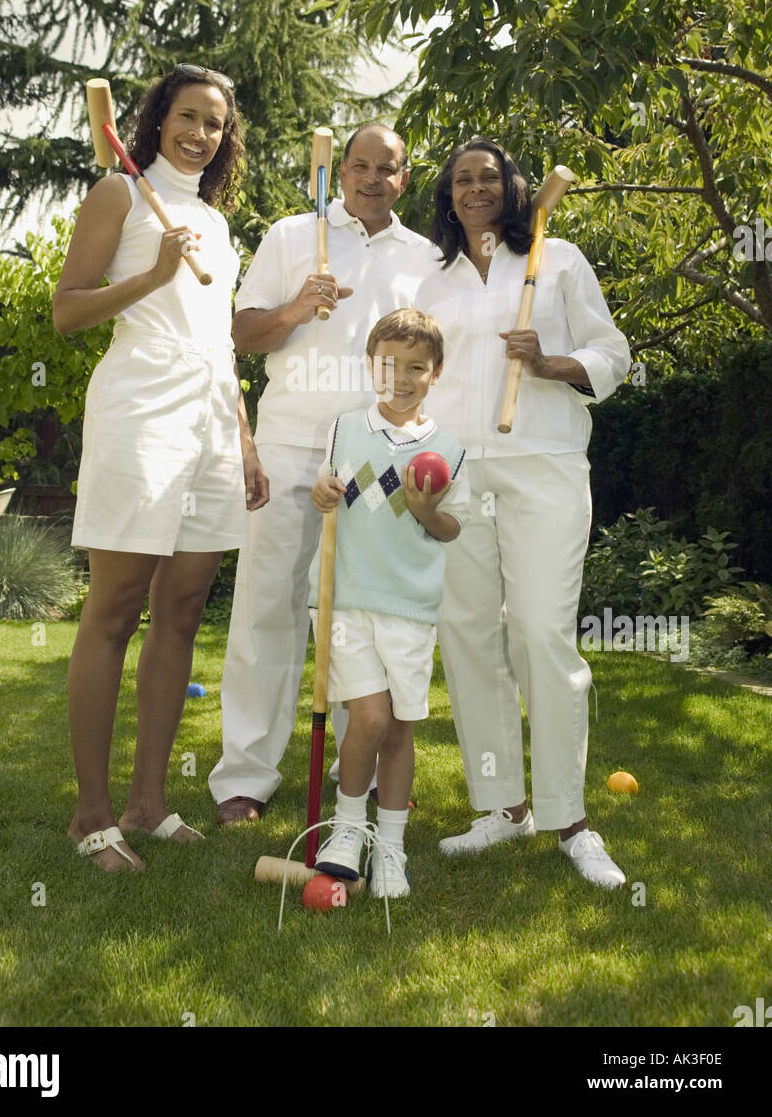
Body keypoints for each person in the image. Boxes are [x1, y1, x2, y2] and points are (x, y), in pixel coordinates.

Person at [53, 65, 269, 872]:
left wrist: (243, 442)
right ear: (157, 119)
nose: (201, 134)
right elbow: (68, 308)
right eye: (188, 117)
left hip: (212, 422)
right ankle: (91, 814)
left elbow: (219, 342)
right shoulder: (118, 192)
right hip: (140, 415)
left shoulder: (214, 221)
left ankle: (148, 803)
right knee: (113, 611)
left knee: (181, 611)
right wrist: (149, 276)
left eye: (215, 123)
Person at [416, 137, 632, 888]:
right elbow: (402, 371)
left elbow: (614, 352)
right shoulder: (428, 276)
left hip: (542, 466)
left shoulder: (559, 258)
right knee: (469, 634)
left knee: (539, 631)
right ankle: (502, 807)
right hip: (454, 471)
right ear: (448, 196)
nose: (475, 188)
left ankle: (569, 817)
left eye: (489, 177)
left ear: (513, 190)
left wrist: (551, 364)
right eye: (461, 180)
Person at [208, 124, 440, 824]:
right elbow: (241, 334)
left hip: (378, 452)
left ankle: (357, 775)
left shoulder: (425, 258)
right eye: (360, 166)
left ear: (405, 177)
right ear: (340, 171)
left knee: (360, 614)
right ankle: (244, 776)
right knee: (267, 606)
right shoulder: (289, 235)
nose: (372, 179)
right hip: (290, 442)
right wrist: (295, 309)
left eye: (387, 169)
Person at [308, 309, 469, 897]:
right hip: (346, 599)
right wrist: (322, 489)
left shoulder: (449, 451)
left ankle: (391, 847)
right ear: (370, 367)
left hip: (411, 607)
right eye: (387, 365)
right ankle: (348, 828)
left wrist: (427, 511)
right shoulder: (344, 429)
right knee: (370, 718)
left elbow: (452, 529)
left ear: (437, 373)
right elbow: (325, 487)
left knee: (400, 731)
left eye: (416, 368)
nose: (399, 378)